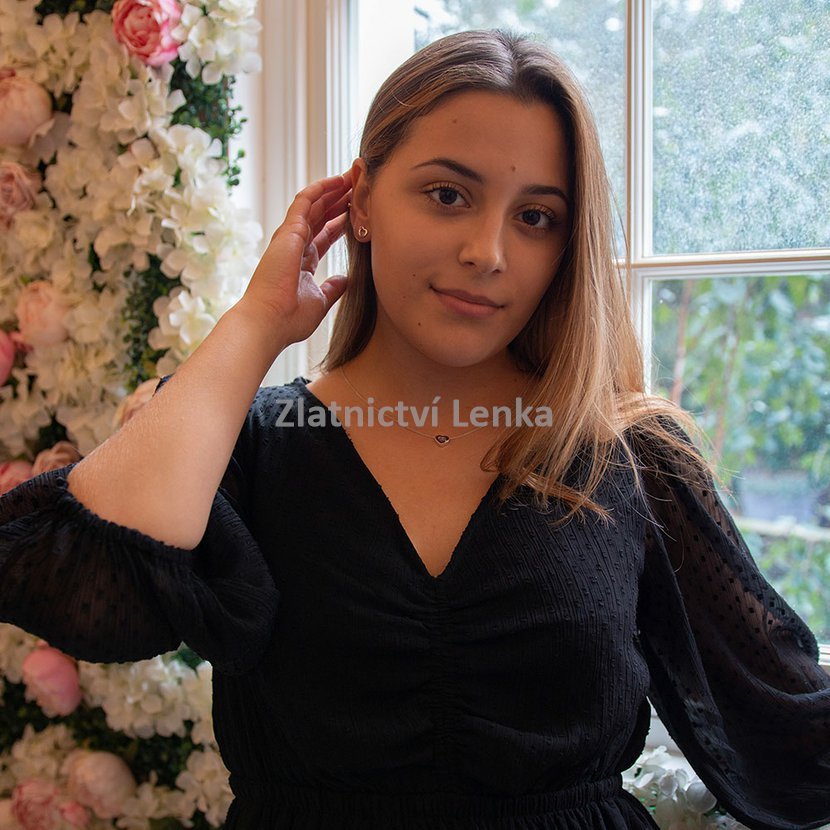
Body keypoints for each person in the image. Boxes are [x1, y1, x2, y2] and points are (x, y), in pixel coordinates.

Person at [1, 28, 829, 830]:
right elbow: (78, 592)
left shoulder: (631, 458)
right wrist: (255, 323)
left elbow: (793, 731)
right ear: (361, 203)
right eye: (447, 195)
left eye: (536, 217)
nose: (488, 251)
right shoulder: (240, 445)